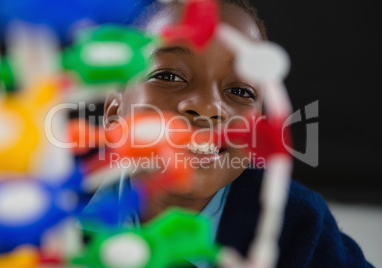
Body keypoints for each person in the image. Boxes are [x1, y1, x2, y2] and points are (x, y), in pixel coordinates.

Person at [101, 0, 374, 267]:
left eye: (240, 91)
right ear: (114, 111)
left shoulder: (300, 224)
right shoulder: (68, 206)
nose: (208, 107)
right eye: (170, 76)